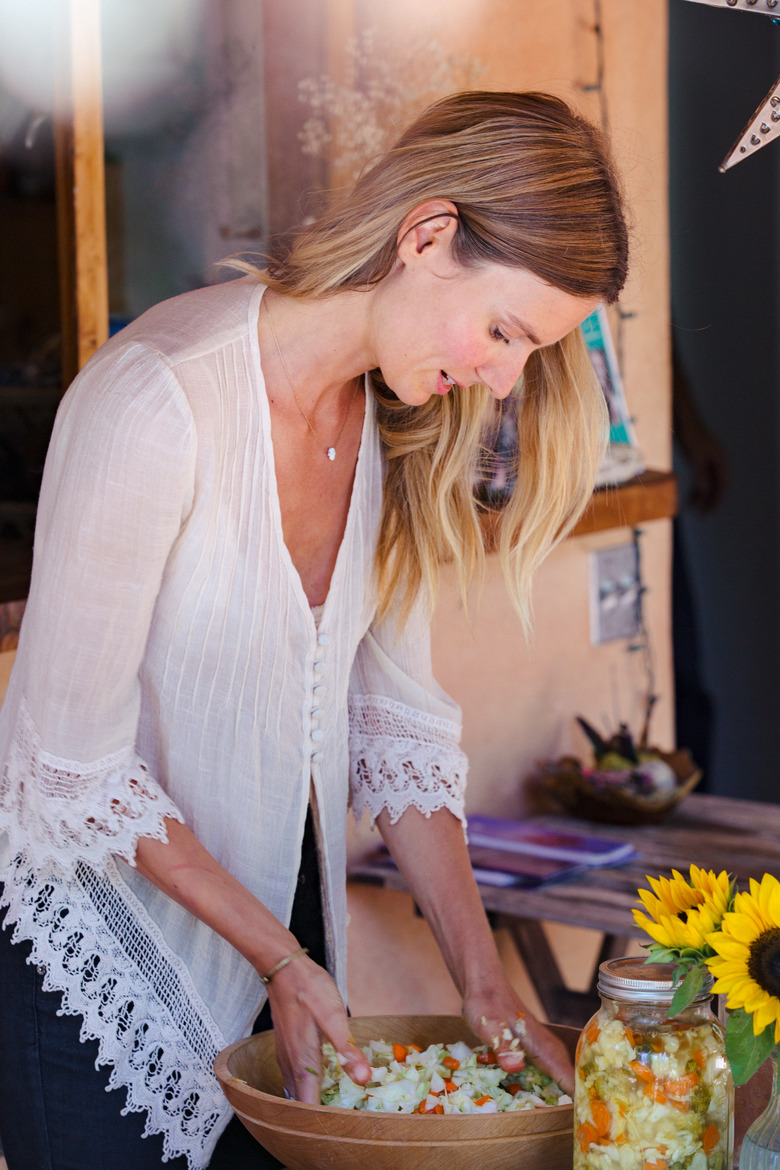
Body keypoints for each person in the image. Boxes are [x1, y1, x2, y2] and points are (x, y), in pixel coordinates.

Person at [0, 90, 628, 1170]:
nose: (504, 379)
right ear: (426, 235)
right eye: (502, 332)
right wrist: (284, 959)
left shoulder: (393, 430)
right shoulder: (158, 405)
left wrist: (487, 984)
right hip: (100, 972)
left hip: (283, 956)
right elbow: (69, 770)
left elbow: (398, 730)